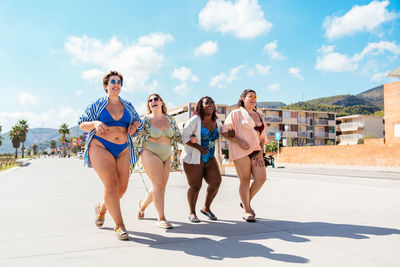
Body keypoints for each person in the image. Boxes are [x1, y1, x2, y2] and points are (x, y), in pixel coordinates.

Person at [78, 70, 143, 240]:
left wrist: (135, 126)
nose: (116, 84)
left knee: (121, 188)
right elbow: (82, 124)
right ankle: (119, 226)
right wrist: (95, 122)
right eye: (113, 81)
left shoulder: (127, 105)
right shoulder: (97, 104)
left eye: (119, 82)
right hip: (100, 146)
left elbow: (139, 122)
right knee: (111, 184)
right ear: (106, 86)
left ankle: (101, 208)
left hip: (123, 149)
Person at [134, 94, 185, 229]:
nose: (153, 102)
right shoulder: (145, 120)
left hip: (166, 155)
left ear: (161, 102)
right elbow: (134, 134)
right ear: (149, 105)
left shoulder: (170, 119)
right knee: (159, 185)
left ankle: (142, 206)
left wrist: (191, 139)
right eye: (150, 100)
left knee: (160, 187)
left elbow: (178, 137)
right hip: (149, 153)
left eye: (155, 99)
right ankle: (161, 218)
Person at [181, 96, 228, 223]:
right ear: (201, 106)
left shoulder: (217, 121)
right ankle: (192, 212)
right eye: (207, 103)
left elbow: (221, 136)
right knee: (195, 186)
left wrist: (230, 133)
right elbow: (183, 137)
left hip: (210, 156)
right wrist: (199, 147)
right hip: (194, 157)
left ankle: (206, 208)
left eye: (212, 102)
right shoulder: (195, 119)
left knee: (216, 181)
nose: (210, 104)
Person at [224, 89, 267, 222]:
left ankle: (245, 202)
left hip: (256, 151)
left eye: (255, 97)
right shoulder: (235, 114)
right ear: (243, 98)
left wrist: (260, 152)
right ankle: (247, 210)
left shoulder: (259, 116)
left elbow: (263, 137)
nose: (253, 99)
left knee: (261, 178)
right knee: (245, 180)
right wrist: (239, 141)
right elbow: (224, 131)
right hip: (240, 150)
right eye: (250, 96)